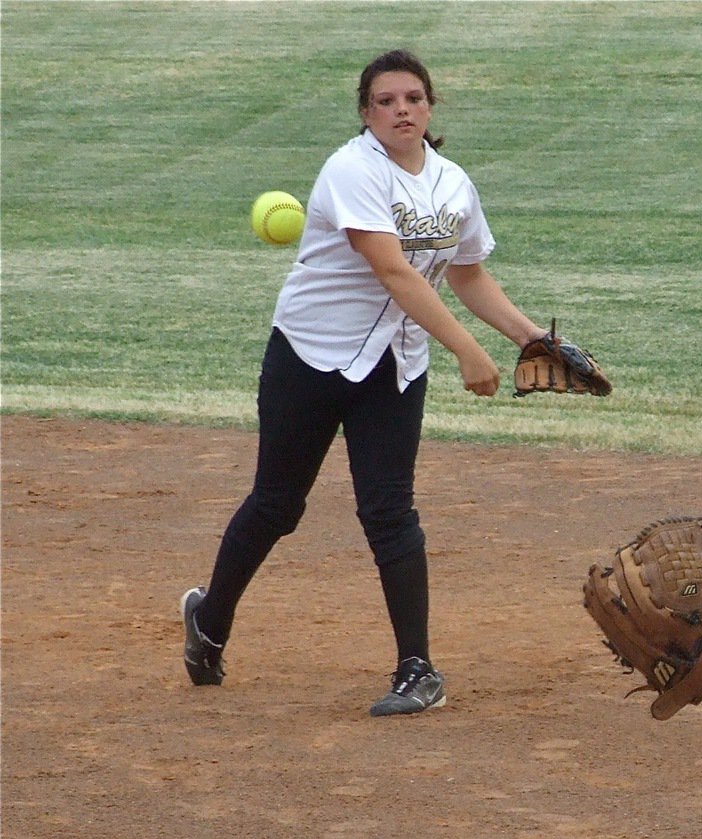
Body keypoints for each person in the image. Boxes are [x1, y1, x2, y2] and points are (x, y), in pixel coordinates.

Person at [181, 49, 555, 716]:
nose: (401, 109)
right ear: (365, 112)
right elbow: (393, 270)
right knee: (277, 504)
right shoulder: (351, 169)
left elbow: (468, 273)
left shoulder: (453, 185)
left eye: (413, 98)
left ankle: (418, 669)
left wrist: (530, 338)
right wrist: (469, 351)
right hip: (308, 355)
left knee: (389, 510)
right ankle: (209, 623)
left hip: (395, 367)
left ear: (431, 107)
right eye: (386, 101)